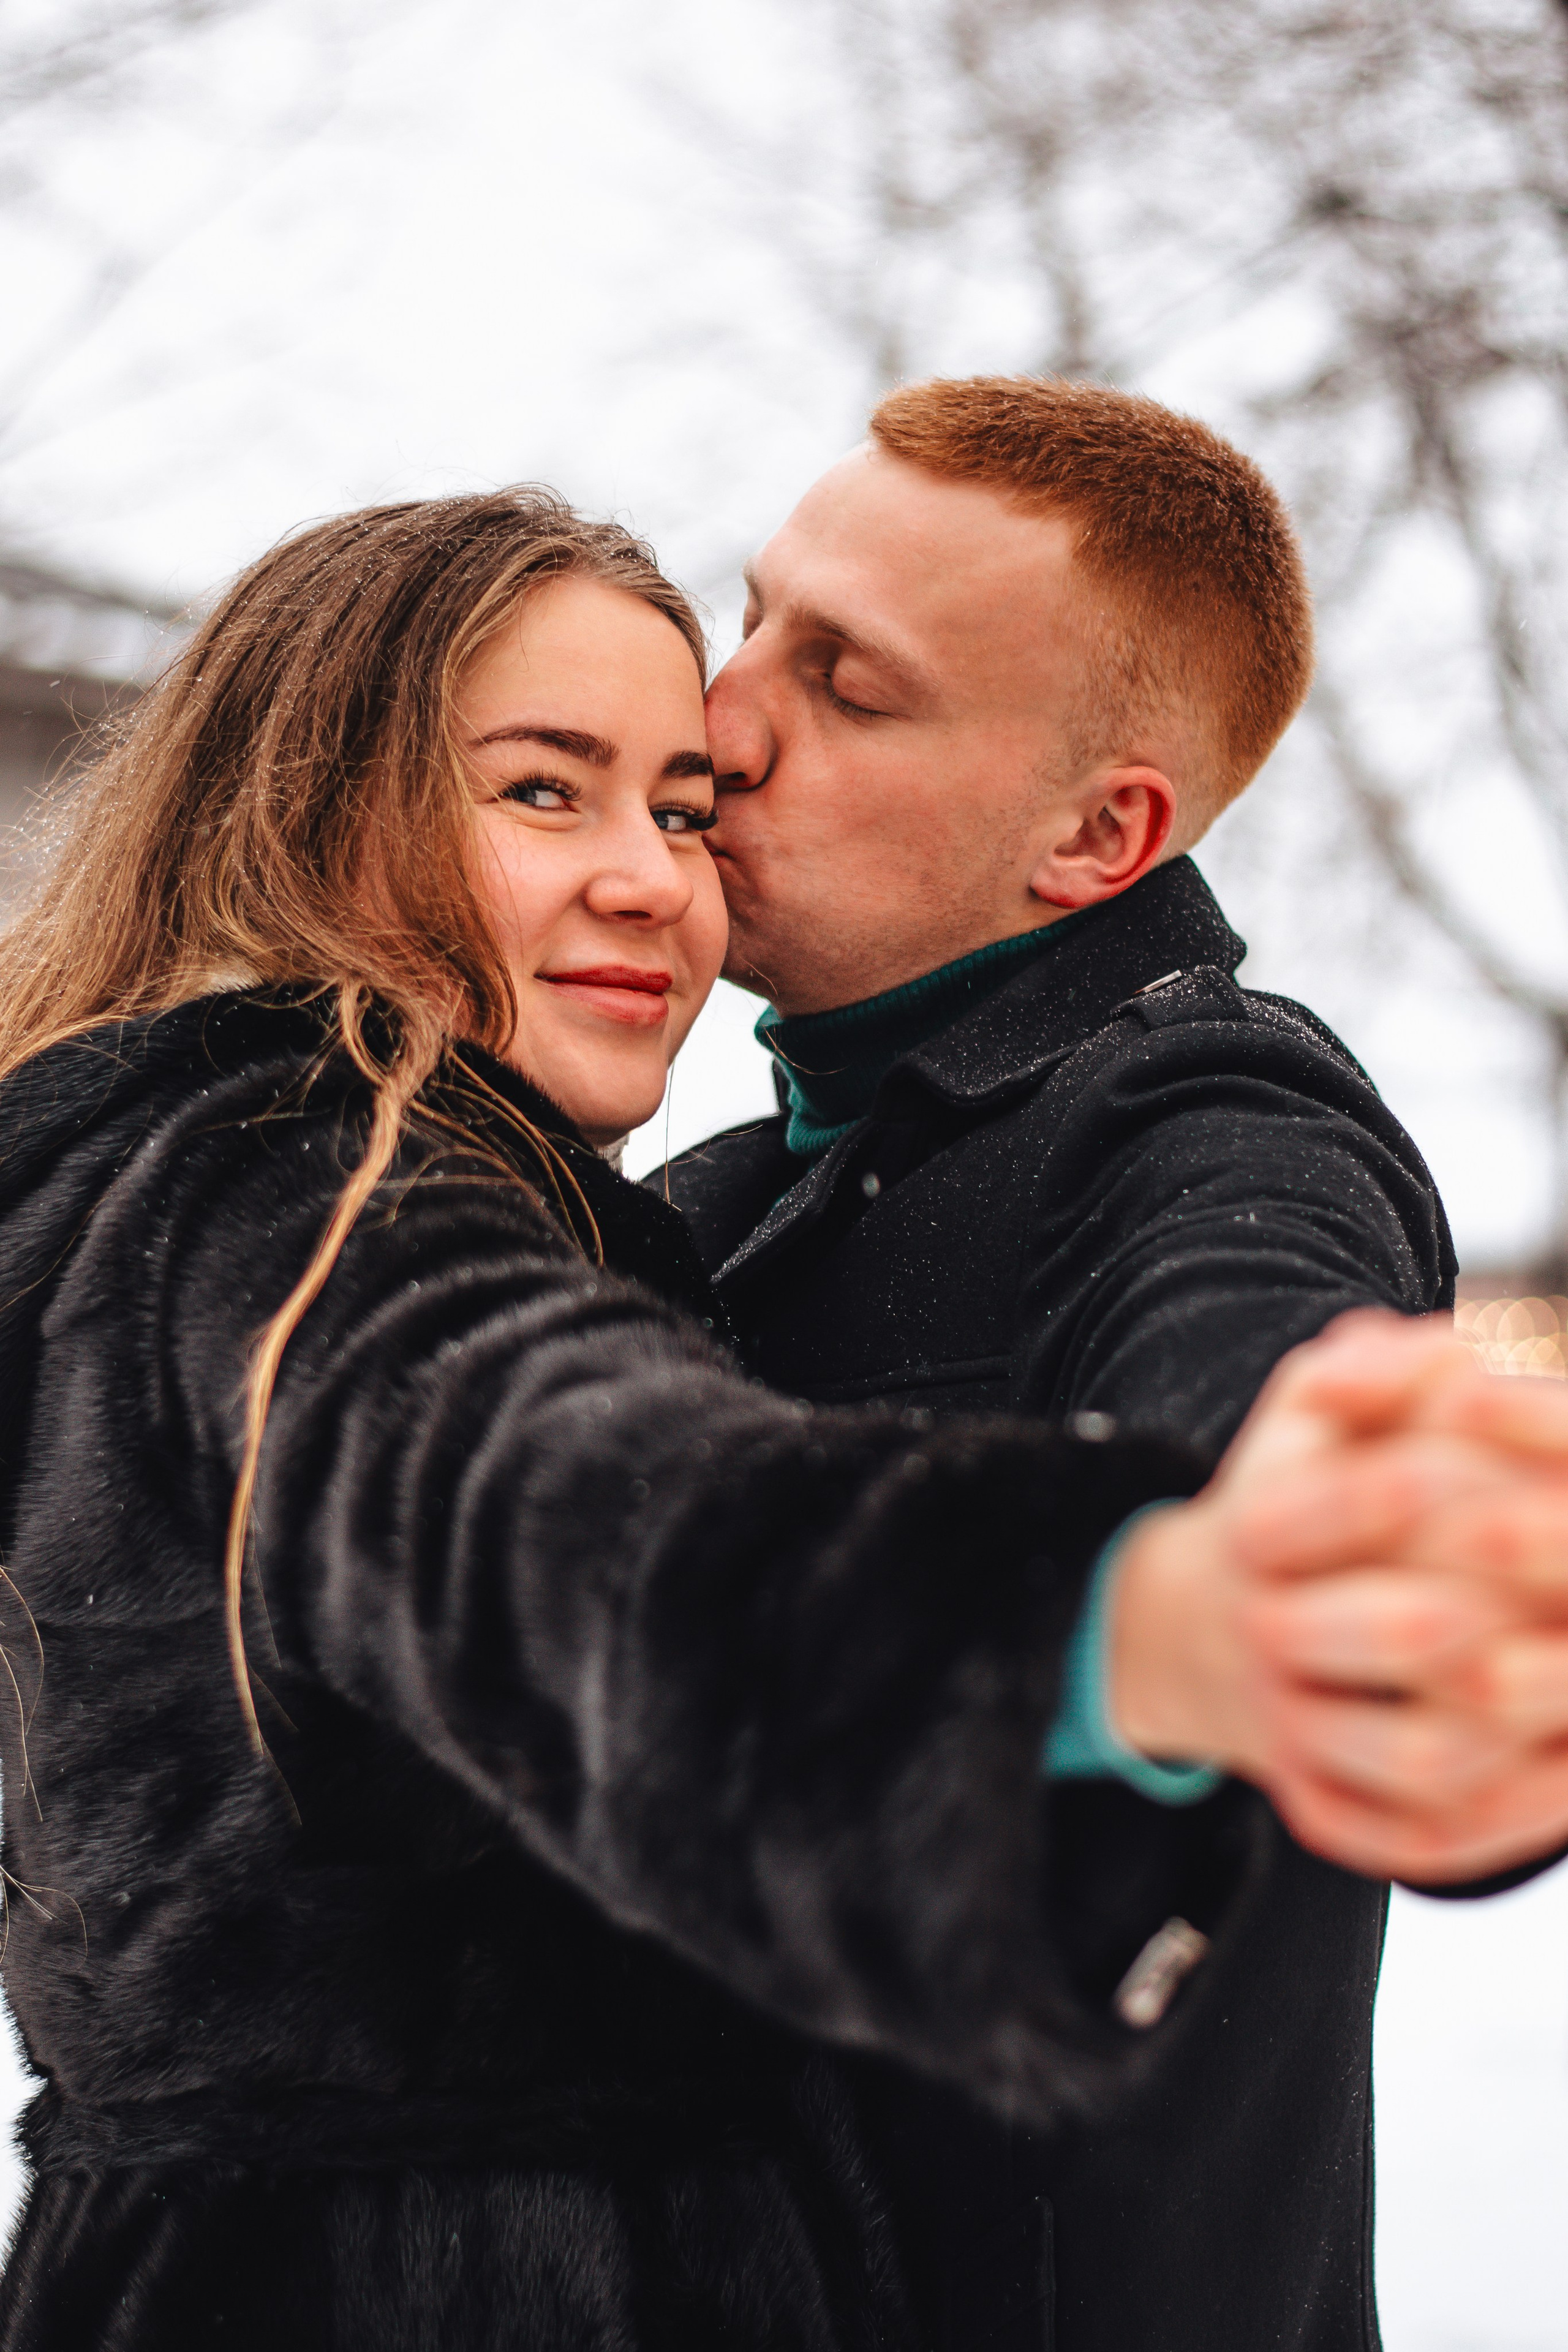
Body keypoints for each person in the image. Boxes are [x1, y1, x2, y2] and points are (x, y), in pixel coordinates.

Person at [0, 486, 1558, 2352]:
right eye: (541, 788)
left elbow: (1242, 1316)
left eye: (670, 804)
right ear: (308, 804)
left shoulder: (1164, 1124)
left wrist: (1323, 1528)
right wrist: (1134, 1615)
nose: (676, 848)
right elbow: (576, 1524)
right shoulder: (299, 1194)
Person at [660, 375, 1568, 2350]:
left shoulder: (1203, 1116)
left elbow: (1254, 1397)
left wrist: (1325, 1575)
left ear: (1098, 833)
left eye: (849, 685)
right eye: (752, 623)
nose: (721, 724)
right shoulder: (713, 1199)